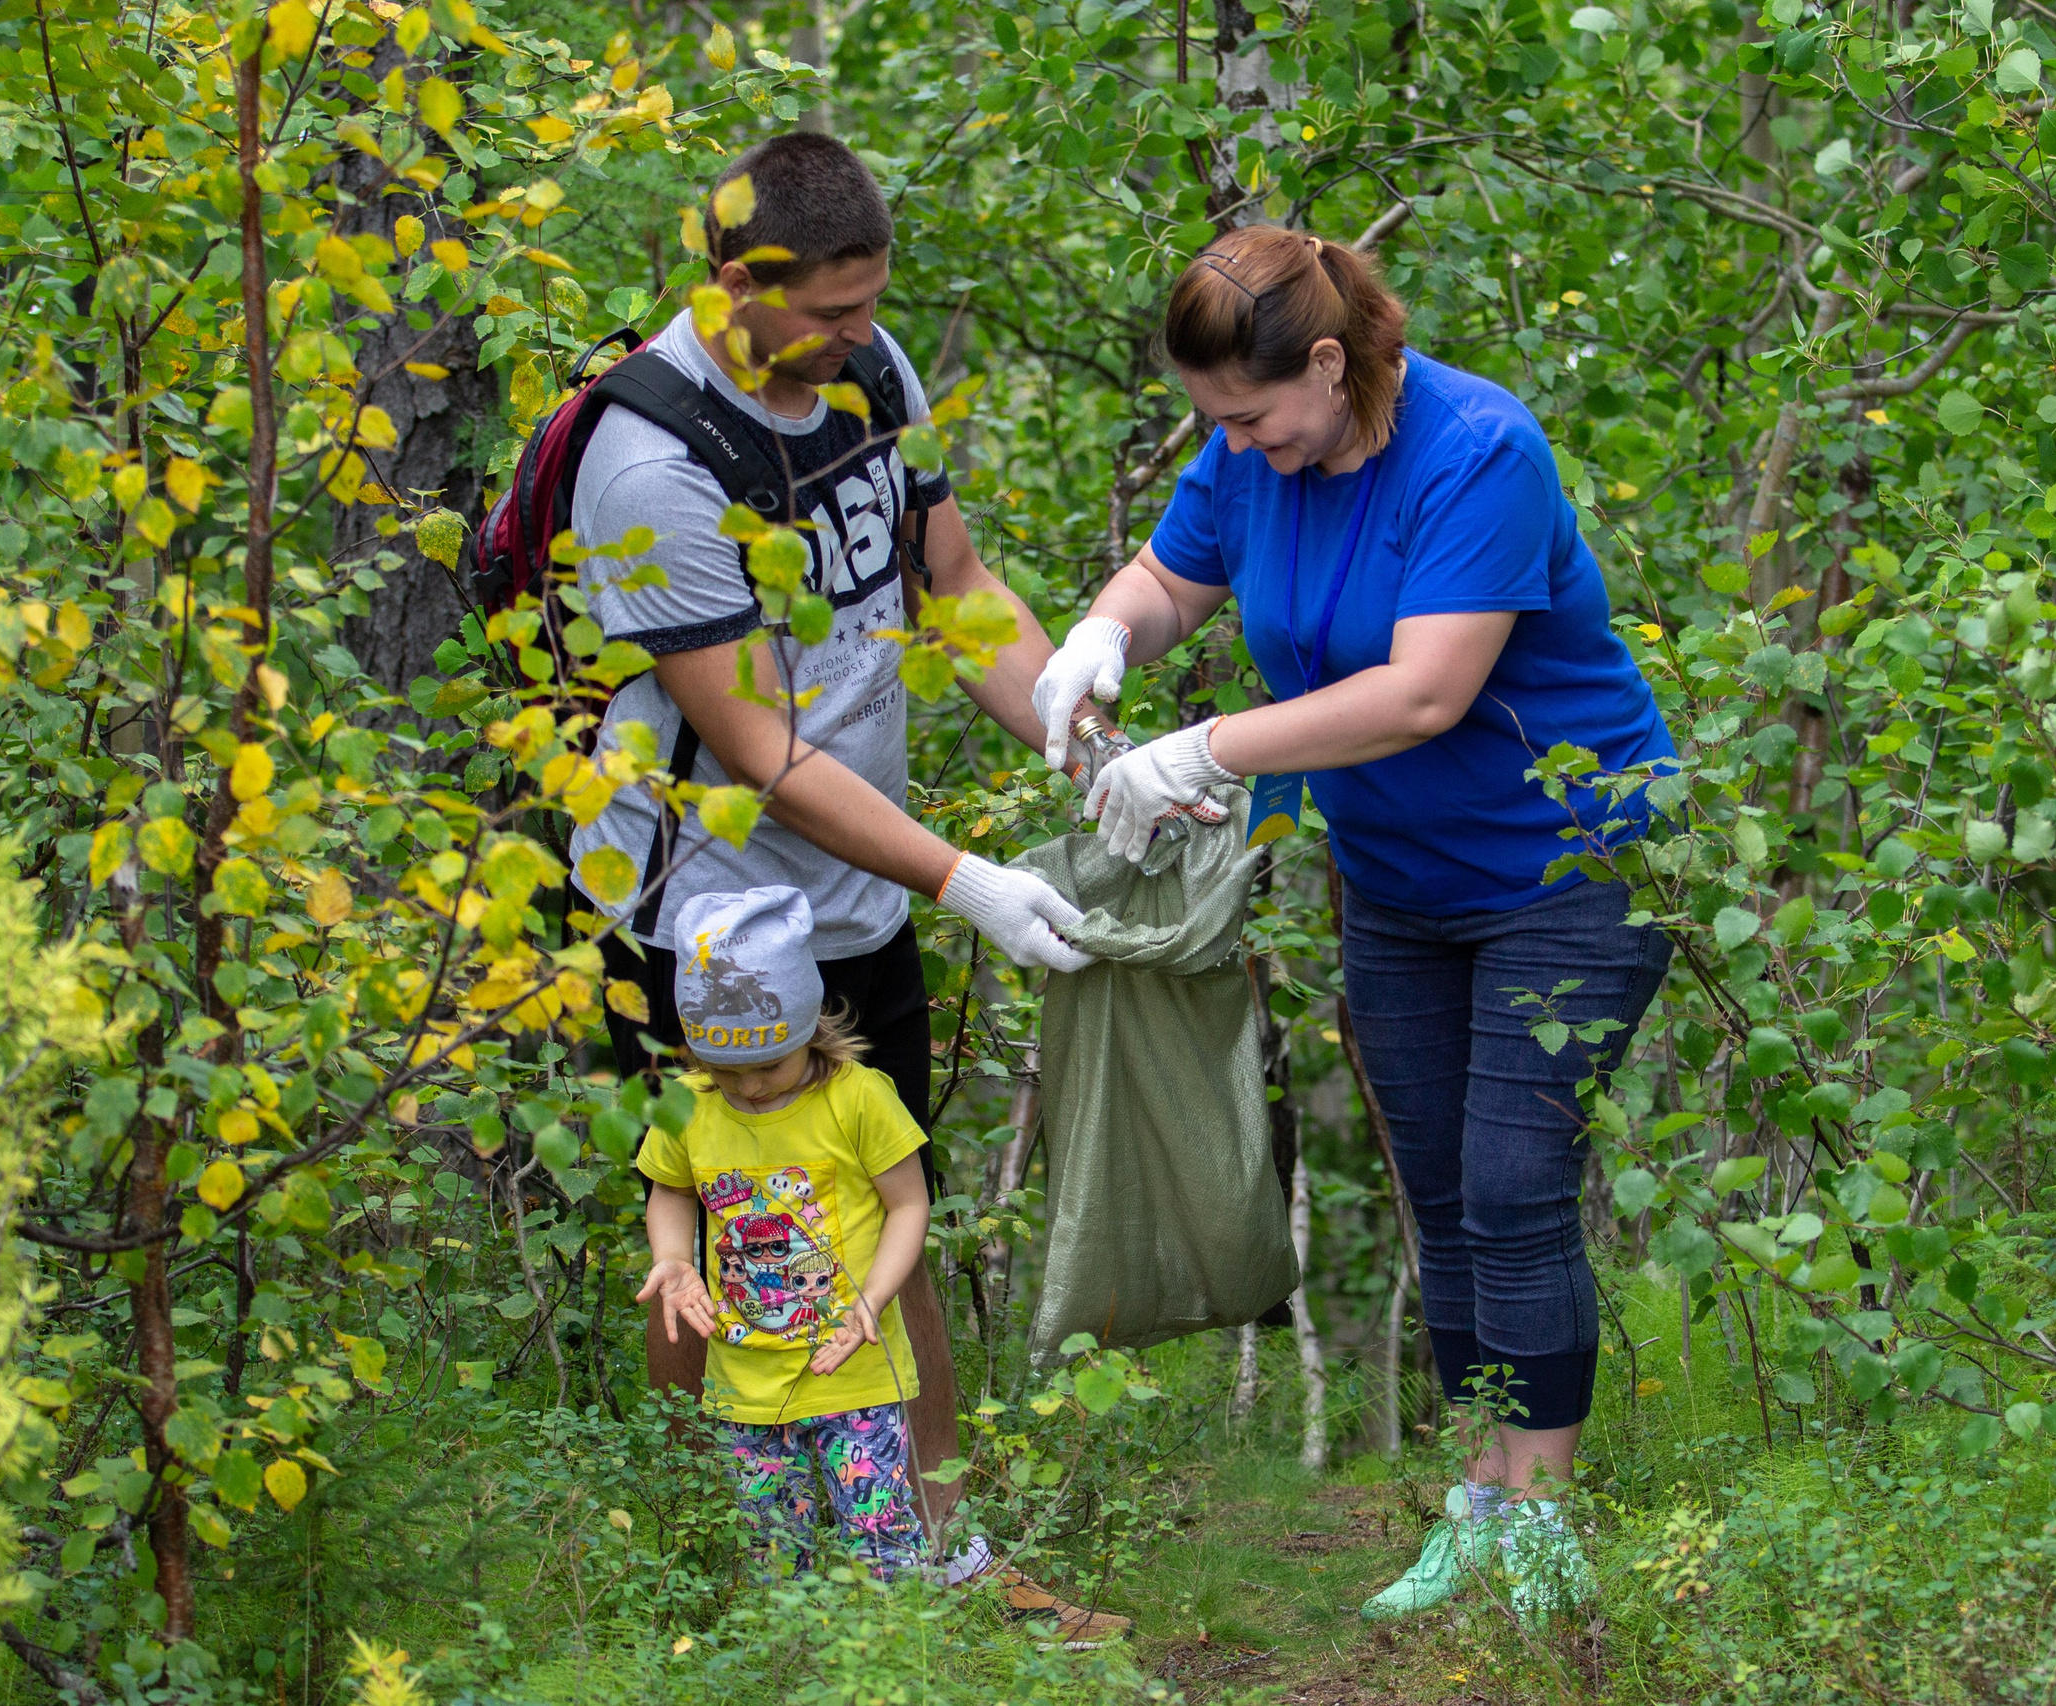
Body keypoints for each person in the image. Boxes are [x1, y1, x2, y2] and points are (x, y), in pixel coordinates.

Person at [1029, 226, 1677, 1621]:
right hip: (1398, 878)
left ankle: (1545, 1528)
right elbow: (1168, 578)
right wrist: (1100, 638)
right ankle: (1480, 1503)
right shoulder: (1253, 453)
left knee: (1513, 1187)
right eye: (1216, 421)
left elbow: (1423, 693)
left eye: (1251, 417)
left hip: (1570, 866)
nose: (1234, 445)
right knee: (1439, 1194)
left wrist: (1207, 748)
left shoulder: (1476, 453)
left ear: (1330, 364)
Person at [570, 132, 1125, 1637]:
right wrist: (970, 882)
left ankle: (941, 1557)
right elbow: (753, 744)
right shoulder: (653, 458)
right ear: (737, 282)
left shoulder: (871, 376)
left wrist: (1084, 735)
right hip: (701, 914)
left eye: (873, 302)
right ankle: (708, 1572)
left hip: (857, 898)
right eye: (826, 309)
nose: (857, 333)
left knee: (891, 1201)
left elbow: (951, 588)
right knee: (721, 1230)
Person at [633, 886, 933, 1579]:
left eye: (769, 1066)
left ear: (806, 1026)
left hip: (852, 1371)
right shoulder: (689, 1107)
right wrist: (674, 1257)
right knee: (772, 1554)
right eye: (727, 1072)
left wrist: (873, 1302)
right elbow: (671, 1190)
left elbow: (909, 1205)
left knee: (881, 1541)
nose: (753, 1089)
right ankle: (790, 1669)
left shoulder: (858, 1098)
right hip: (746, 1380)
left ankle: (896, 1666)